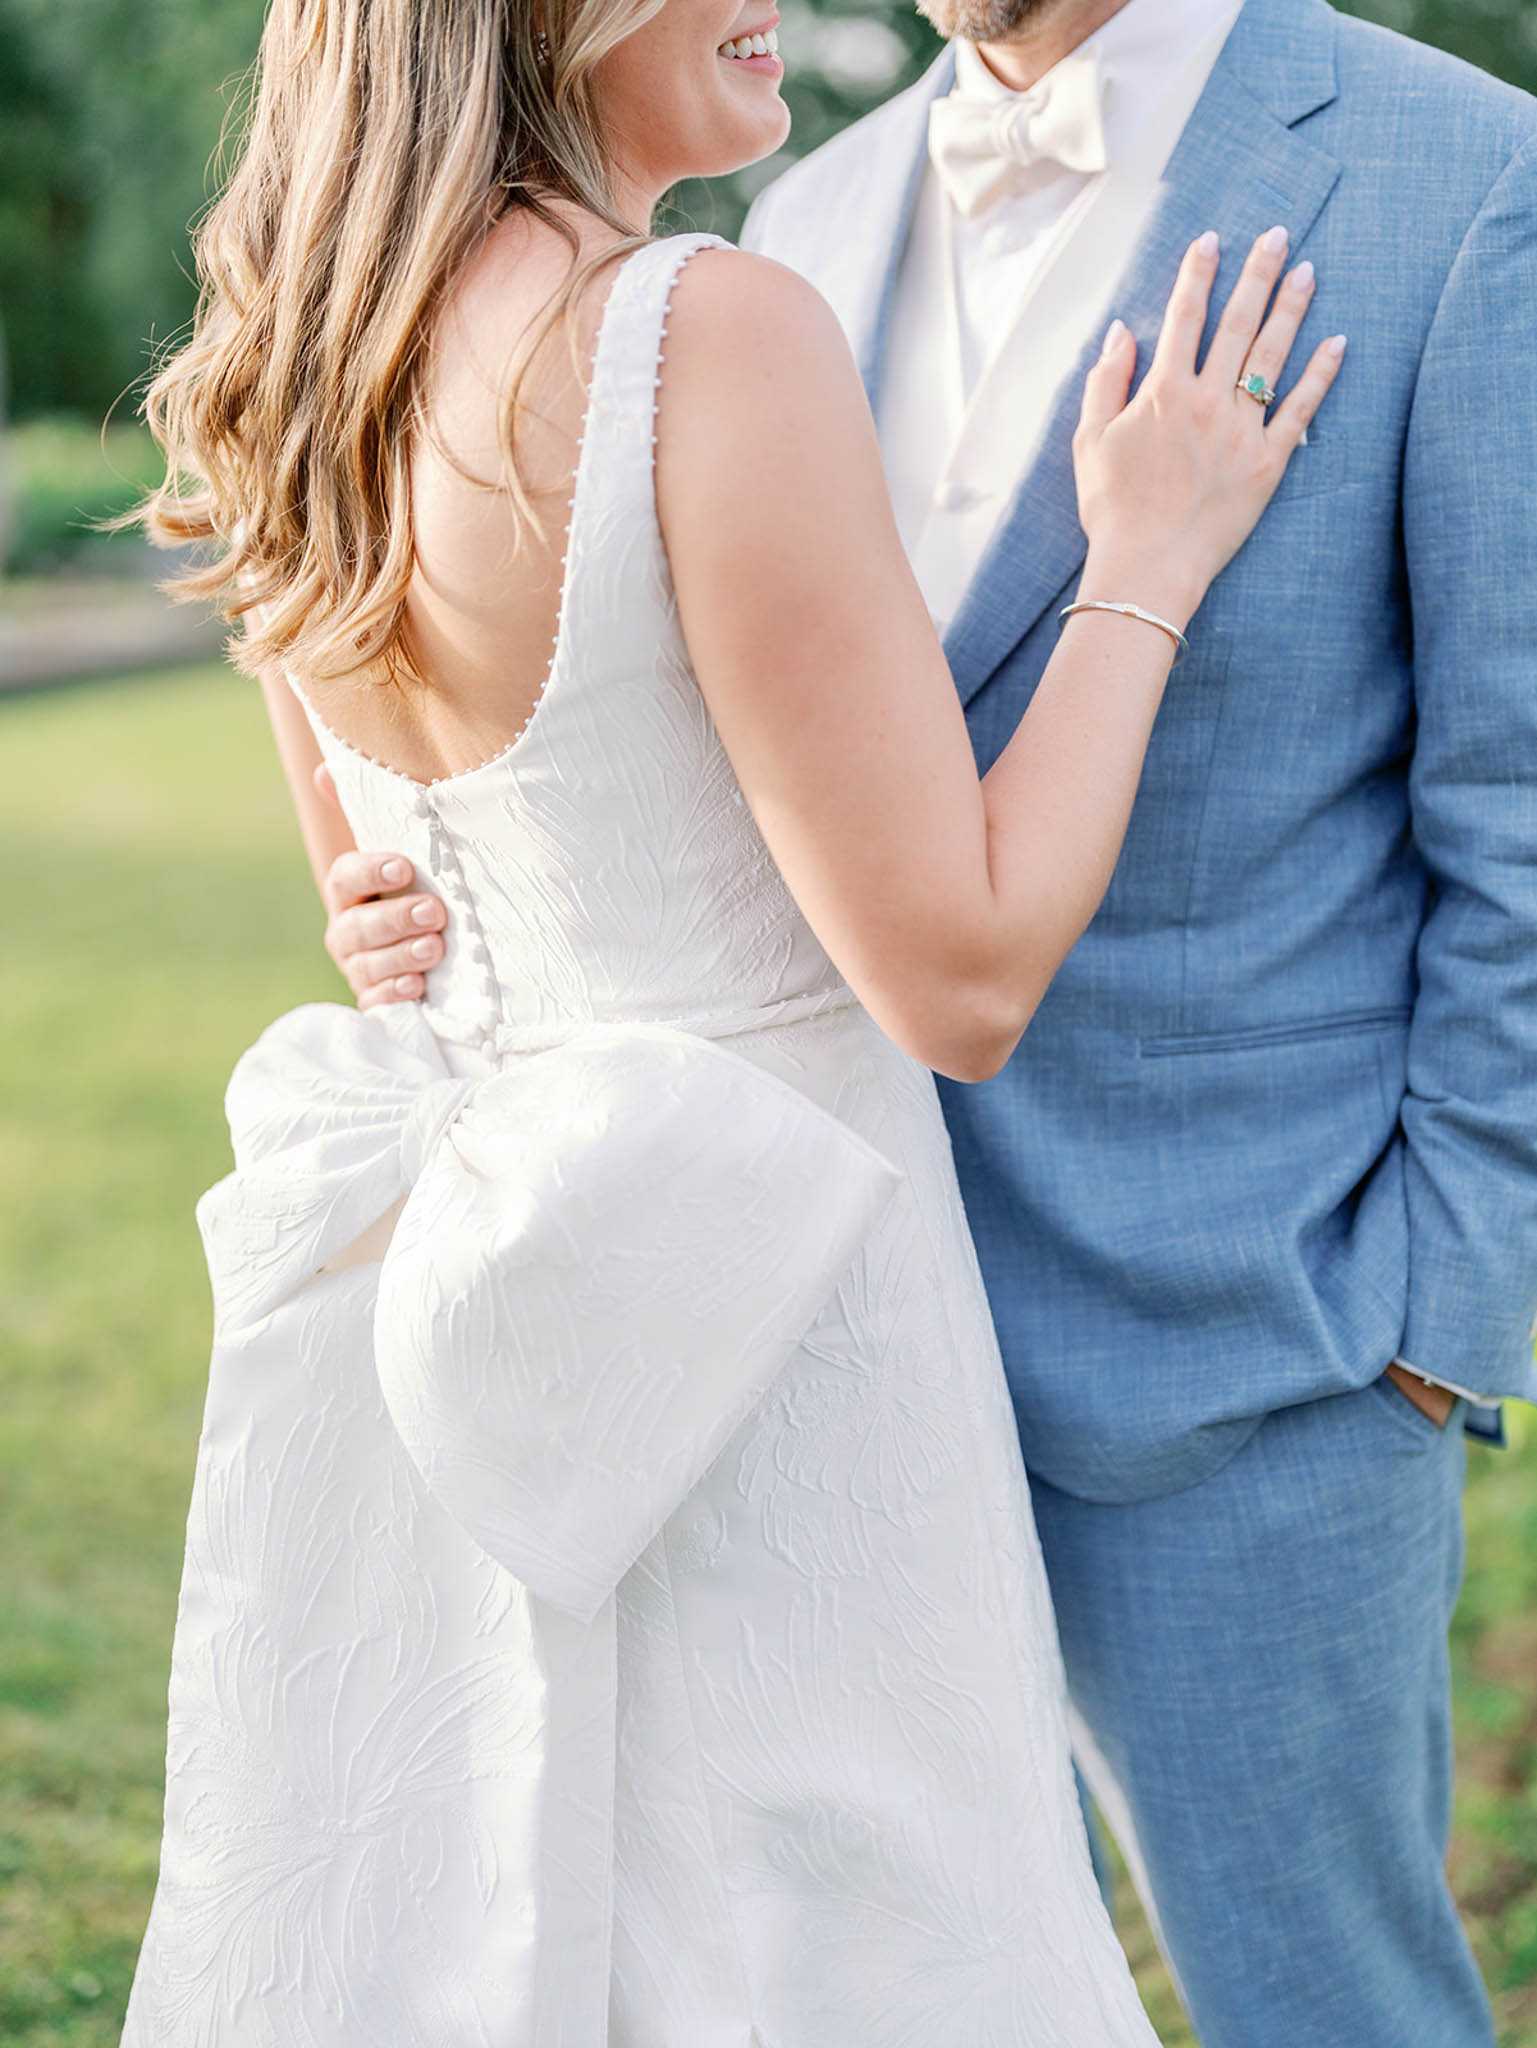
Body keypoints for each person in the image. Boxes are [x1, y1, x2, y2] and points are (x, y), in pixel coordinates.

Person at [115, 0, 1343, 2040]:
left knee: (554, 1917)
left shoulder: (295, 368)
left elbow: (378, 875)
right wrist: (1146, 559)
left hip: (490, 1316)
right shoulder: (694, 332)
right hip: (788, 1320)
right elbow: (955, 974)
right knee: (847, 1937)